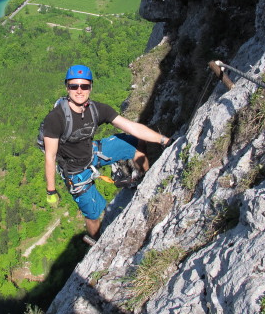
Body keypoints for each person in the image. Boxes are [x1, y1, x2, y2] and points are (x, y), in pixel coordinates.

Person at [43, 64, 170, 240]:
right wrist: (51, 191)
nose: (79, 90)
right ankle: (95, 241)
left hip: (92, 152)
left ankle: (144, 179)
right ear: (67, 88)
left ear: (91, 87)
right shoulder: (55, 119)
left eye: (84, 86)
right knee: (94, 215)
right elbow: (50, 156)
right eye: (74, 86)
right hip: (75, 172)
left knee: (134, 142)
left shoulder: (97, 109)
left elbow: (131, 127)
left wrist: (164, 140)